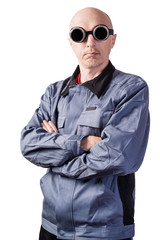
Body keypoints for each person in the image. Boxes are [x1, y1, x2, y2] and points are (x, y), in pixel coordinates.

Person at [20, 7, 150, 240]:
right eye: (80, 35)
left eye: (99, 33)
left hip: (103, 231)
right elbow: (29, 144)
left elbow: (118, 157)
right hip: (51, 225)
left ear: (112, 40)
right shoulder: (54, 92)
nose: (90, 42)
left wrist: (57, 159)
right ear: (71, 43)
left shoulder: (131, 89)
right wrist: (84, 143)